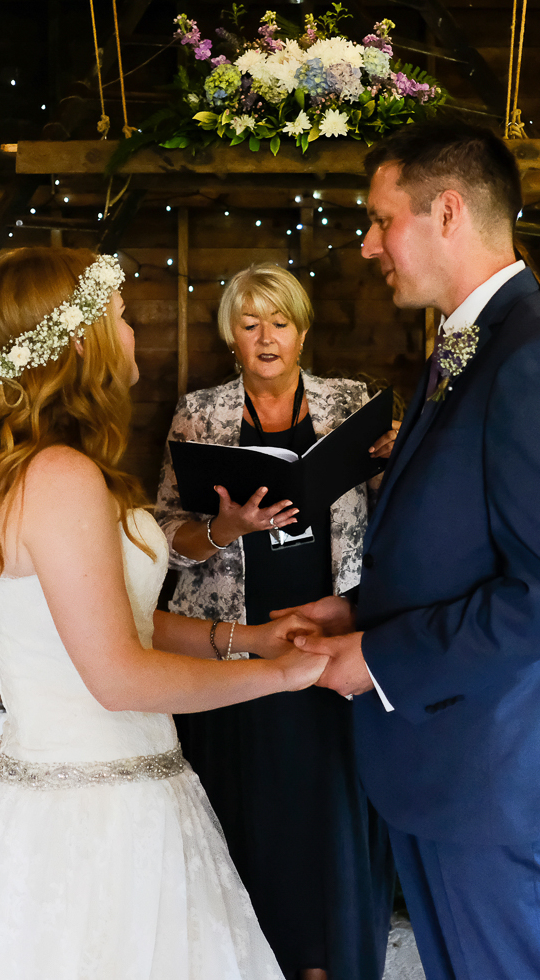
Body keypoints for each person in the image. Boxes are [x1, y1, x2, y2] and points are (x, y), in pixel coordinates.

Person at [0, 247, 328, 980]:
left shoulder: (49, 464)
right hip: (94, 809)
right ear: (82, 341)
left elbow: (120, 622)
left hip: (100, 780)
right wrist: (280, 675)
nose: (133, 332)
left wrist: (245, 636)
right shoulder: (61, 476)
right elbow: (118, 676)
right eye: (121, 317)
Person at [277, 122, 540, 980]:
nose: (367, 245)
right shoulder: (464, 344)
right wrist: (360, 610)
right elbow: (469, 542)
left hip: (496, 767)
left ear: (448, 212)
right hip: (444, 757)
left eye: (380, 219)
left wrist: (380, 654)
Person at [155, 262, 397, 980]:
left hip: (330, 633)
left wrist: (398, 459)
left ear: (302, 328)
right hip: (236, 647)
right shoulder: (197, 413)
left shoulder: (351, 401)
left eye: (280, 321)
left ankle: (330, 961)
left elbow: (402, 517)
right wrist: (225, 528)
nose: (266, 337)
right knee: (253, 807)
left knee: (327, 804)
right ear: (231, 334)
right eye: (250, 322)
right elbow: (166, 531)